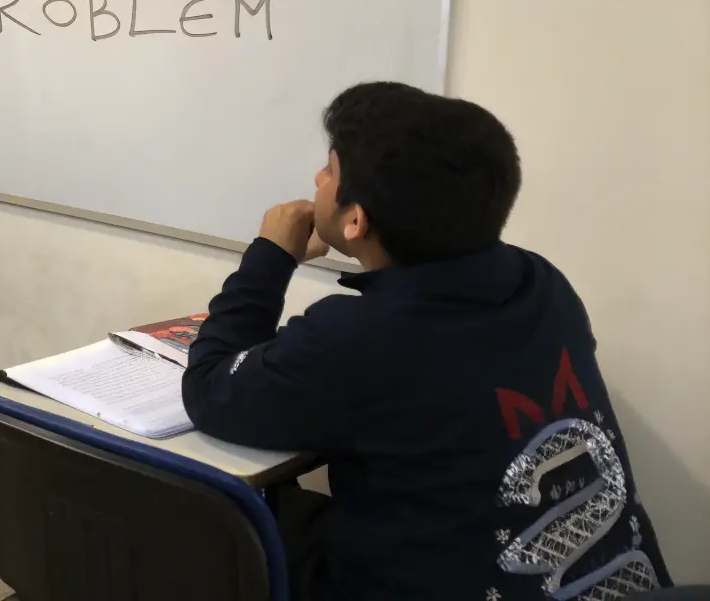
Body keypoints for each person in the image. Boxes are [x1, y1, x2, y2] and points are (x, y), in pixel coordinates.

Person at [182, 82, 670, 601]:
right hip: (609, 583)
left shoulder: (355, 336)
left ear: (356, 219)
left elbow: (210, 389)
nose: (318, 180)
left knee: (211, 512)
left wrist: (270, 255)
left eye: (330, 170)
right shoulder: (541, 284)